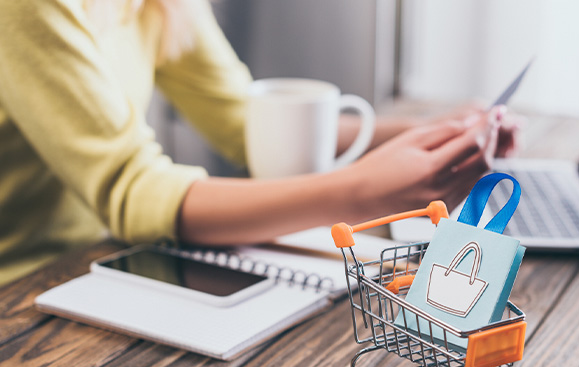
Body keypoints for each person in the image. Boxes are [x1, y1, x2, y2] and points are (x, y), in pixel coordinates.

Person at [0, 0, 519, 286]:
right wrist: (358, 191)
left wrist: (429, 134)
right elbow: (131, 190)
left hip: (108, 260)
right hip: (25, 288)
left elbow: (242, 120)